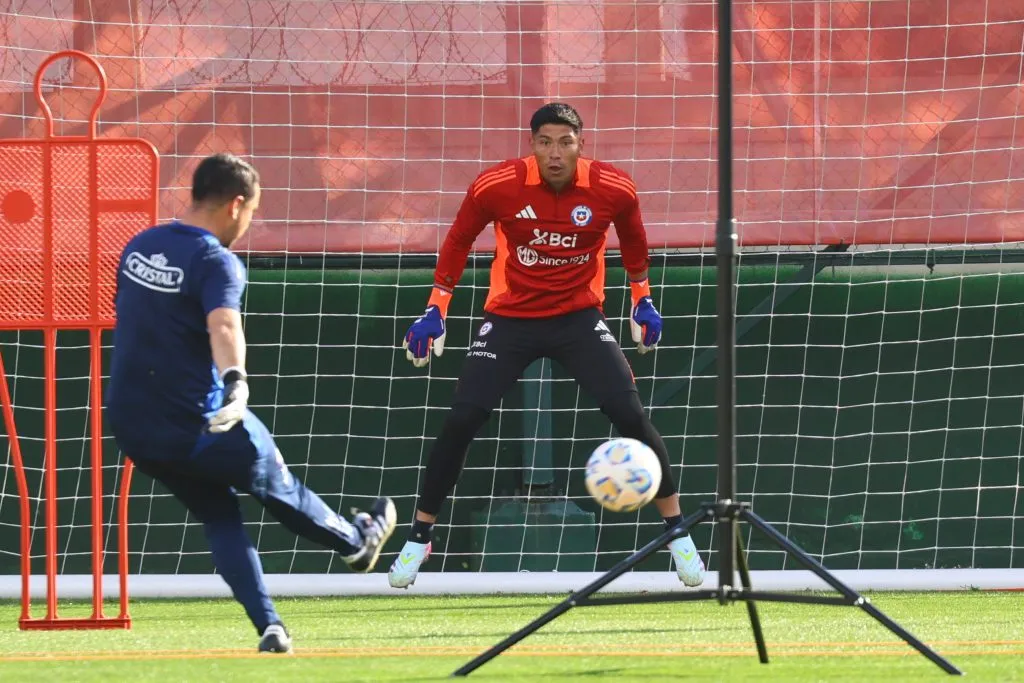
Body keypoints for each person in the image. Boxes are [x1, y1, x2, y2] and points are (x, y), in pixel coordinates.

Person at [390, 103, 705, 589]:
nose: (554, 153)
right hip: (511, 317)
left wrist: (642, 300)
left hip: (578, 318)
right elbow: (457, 239)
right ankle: (419, 535)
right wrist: (436, 309)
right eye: (545, 142)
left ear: (581, 144)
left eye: (565, 142)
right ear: (532, 144)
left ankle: (677, 532)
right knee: (462, 419)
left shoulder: (613, 188)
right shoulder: (496, 186)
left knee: (631, 415)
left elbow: (635, 243)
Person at [105, 153, 396, 654]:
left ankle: (270, 626)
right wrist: (236, 380)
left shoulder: (140, 245)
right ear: (236, 204)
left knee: (219, 515)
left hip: (136, 428)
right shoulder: (215, 260)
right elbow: (223, 325)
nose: (248, 223)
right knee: (279, 486)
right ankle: (356, 544)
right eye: (252, 212)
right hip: (205, 422)